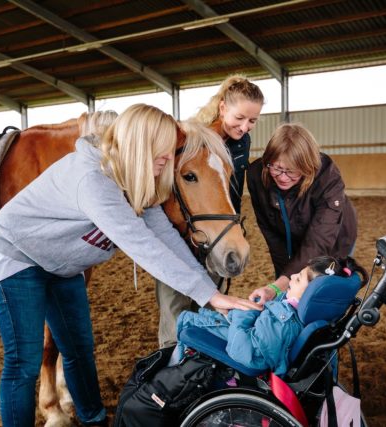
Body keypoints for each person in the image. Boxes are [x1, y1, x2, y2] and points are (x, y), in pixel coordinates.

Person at [0, 104, 261, 427]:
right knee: (24, 363)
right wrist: (207, 295)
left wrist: (210, 293)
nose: (168, 160)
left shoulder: (140, 178)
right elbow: (143, 246)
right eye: (163, 152)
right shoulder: (93, 180)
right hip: (16, 259)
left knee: (79, 348)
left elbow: (165, 238)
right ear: (140, 145)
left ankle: (94, 419)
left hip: (60, 265)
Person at [156, 75, 265, 348]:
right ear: (222, 108)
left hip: (220, 231)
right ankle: (171, 363)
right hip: (186, 235)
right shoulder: (195, 139)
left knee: (208, 306)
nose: (245, 126)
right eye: (240, 117)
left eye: (252, 121)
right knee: (176, 311)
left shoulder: (242, 142)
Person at [174, 256, 368, 376]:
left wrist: (243, 312)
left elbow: (248, 355)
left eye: (298, 278)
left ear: (311, 295)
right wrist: (267, 299)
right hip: (243, 330)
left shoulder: (284, 325)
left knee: (187, 322)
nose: (291, 278)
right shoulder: (301, 312)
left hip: (238, 346)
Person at [247, 122, 358, 304]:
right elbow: (270, 231)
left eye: (291, 171)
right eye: (276, 168)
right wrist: (281, 282)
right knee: (288, 288)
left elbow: (318, 243)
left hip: (333, 238)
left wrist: (279, 284)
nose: (283, 177)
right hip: (290, 232)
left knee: (321, 289)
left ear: (308, 168)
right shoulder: (256, 174)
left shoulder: (327, 177)